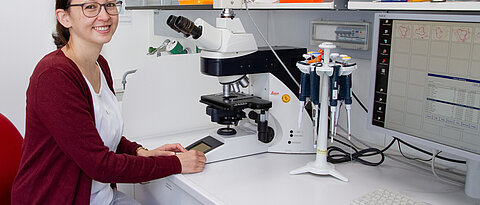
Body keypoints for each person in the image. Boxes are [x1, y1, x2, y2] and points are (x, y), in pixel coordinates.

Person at [11, 0, 206, 204]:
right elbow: (100, 165)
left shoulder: (99, 65)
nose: (104, 16)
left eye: (110, 4)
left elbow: (98, 136)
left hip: (100, 197)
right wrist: (176, 164)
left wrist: (141, 152)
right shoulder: (54, 75)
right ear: (64, 17)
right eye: (90, 7)